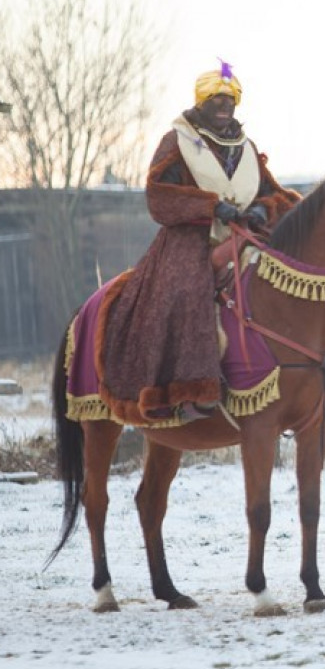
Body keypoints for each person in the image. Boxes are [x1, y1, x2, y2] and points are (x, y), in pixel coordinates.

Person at [98, 60, 300, 425]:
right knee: (184, 288)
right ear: (201, 101)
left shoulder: (246, 146)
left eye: (230, 99)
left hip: (246, 232)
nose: (224, 106)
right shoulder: (177, 141)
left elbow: (274, 193)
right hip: (191, 237)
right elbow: (158, 194)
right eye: (216, 99)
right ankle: (187, 388)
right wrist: (209, 206)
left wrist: (261, 210)